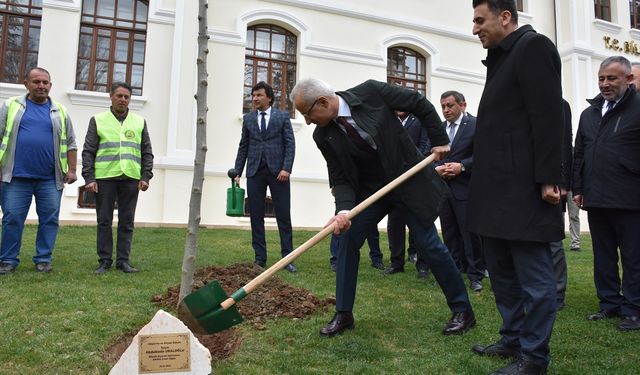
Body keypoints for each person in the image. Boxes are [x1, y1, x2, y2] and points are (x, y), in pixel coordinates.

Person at [291, 78, 475, 338]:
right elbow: (340, 177)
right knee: (347, 239)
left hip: (407, 179)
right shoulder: (323, 135)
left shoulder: (370, 93)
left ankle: (462, 310)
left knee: (428, 243)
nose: (308, 121)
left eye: (307, 114)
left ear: (322, 102)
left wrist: (439, 139)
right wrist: (344, 211)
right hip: (372, 193)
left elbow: (418, 103)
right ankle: (343, 314)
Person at [468, 1, 564, 374]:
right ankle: (513, 338)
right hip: (493, 190)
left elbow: (548, 117)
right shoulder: (500, 58)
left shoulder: (533, 47)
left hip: (523, 189)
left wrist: (549, 177)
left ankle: (534, 358)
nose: (475, 29)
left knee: (536, 280)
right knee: (503, 273)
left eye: (480, 20)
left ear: (505, 17)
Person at [572, 55, 640, 332]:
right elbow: (579, 154)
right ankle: (609, 304)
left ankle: (634, 309)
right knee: (603, 255)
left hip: (630, 198)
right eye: (601, 78)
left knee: (634, 257)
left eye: (611, 78)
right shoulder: (589, 114)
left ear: (628, 79)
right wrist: (578, 188)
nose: (605, 84)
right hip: (596, 198)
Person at [0, 67, 77, 275]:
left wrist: (71, 170)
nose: (41, 86)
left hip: (50, 179)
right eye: (36, 82)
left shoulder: (60, 111)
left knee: (50, 219)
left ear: (50, 86)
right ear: (26, 84)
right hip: (15, 176)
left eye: (45, 82)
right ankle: (7, 260)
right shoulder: (11, 106)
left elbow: (71, 143)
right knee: (12, 217)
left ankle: (43, 259)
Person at [82, 82, 154, 274]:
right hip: (104, 178)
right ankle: (104, 260)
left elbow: (147, 151)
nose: (122, 99)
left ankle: (123, 261)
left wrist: (146, 176)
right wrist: (89, 178)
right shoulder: (98, 120)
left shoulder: (139, 122)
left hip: (131, 177)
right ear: (111, 97)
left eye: (126, 97)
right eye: (119, 96)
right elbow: (88, 151)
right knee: (104, 220)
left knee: (127, 221)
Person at [233, 81, 297, 273]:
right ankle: (260, 258)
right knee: (256, 217)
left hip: (279, 173)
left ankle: (288, 259)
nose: (255, 99)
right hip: (254, 172)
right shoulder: (249, 119)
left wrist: (286, 168)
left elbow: (290, 144)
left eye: (258, 95)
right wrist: (238, 170)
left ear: (269, 97)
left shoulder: (282, 116)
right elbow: (243, 146)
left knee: (283, 216)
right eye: (253, 96)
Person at [435, 91, 485, 292]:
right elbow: (430, 153)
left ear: (462, 105)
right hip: (443, 189)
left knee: (469, 233)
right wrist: (436, 169)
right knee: (449, 233)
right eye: (443, 106)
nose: (446, 110)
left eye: (450, 105)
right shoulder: (439, 128)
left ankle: (475, 275)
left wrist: (462, 166)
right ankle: (454, 271)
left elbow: (484, 154)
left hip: (466, 188)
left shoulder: (474, 125)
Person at [384, 110, 430, 278]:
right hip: (395, 182)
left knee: (419, 224)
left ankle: (423, 266)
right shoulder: (389, 122)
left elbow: (425, 147)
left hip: (416, 180)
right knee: (395, 224)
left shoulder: (420, 120)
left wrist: (410, 167)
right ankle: (396, 263)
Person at [550, 99, 573, 311]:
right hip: (523, 184)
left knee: (553, 242)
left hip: (553, 183)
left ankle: (558, 294)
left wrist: (564, 182)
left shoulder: (560, 104)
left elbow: (566, 142)